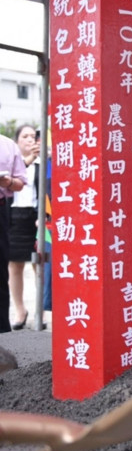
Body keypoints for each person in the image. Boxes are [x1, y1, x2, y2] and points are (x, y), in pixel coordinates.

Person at [8, 125, 39, 330]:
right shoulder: (11, 163)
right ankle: (20, 310)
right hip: (14, 215)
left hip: (37, 216)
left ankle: (40, 310)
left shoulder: (45, 162)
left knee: (40, 264)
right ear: (17, 141)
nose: (29, 139)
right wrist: (27, 160)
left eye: (32, 136)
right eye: (24, 136)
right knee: (15, 265)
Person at [0, 134, 27, 333]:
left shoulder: (8, 145)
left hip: (1, 207)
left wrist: (7, 182)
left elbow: (20, 183)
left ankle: (3, 334)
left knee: (1, 273)